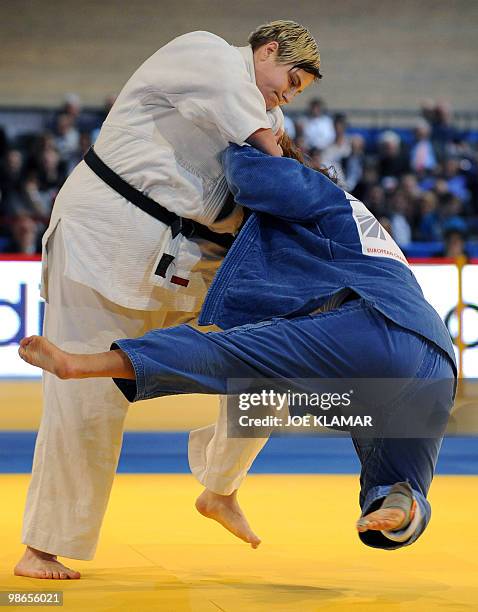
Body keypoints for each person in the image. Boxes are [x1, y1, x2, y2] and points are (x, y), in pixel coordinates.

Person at [20, 142, 456, 557]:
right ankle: (400, 508)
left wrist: (255, 137)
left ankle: (81, 364)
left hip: (378, 330)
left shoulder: (319, 190)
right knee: (393, 487)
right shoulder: (363, 228)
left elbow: (249, 174)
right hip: (435, 366)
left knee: (228, 353)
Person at [14, 21, 321, 580]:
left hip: (190, 259)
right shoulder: (204, 54)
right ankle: (42, 547)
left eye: (298, 91)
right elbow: (269, 154)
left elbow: (269, 180)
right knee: (87, 401)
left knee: (282, 352)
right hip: (104, 239)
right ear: (267, 50)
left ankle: (219, 486)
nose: (289, 94)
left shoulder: (269, 118)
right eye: (289, 78)